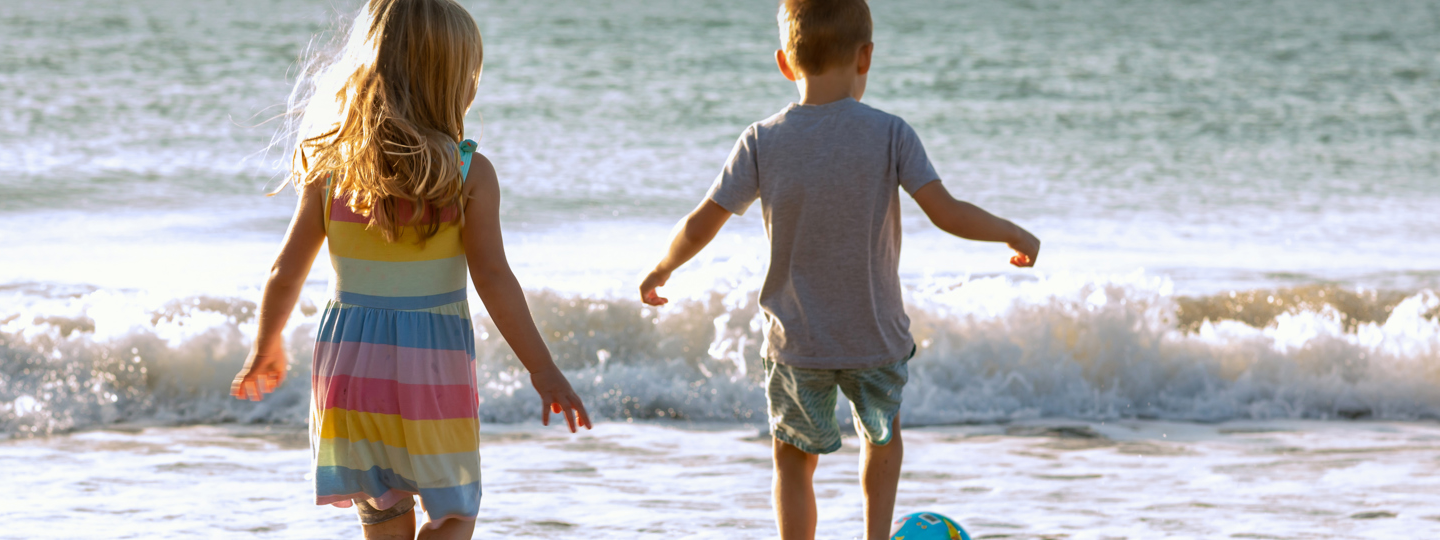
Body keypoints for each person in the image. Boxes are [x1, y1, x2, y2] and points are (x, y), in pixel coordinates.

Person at [636, 1, 1040, 538]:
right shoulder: (891, 133)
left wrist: (662, 268)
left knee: (793, 458)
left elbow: (701, 223)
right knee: (882, 438)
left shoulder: (761, 139)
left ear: (784, 62)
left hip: (797, 340)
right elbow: (947, 213)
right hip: (874, 334)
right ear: (865, 56)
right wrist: (1012, 232)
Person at [230, 1, 592, 538]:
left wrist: (266, 345)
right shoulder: (467, 172)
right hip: (430, 370)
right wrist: (542, 369)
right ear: (452, 81)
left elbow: (286, 269)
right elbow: (493, 278)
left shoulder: (330, 164)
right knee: (453, 514)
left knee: (382, 511)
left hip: (349, 369)